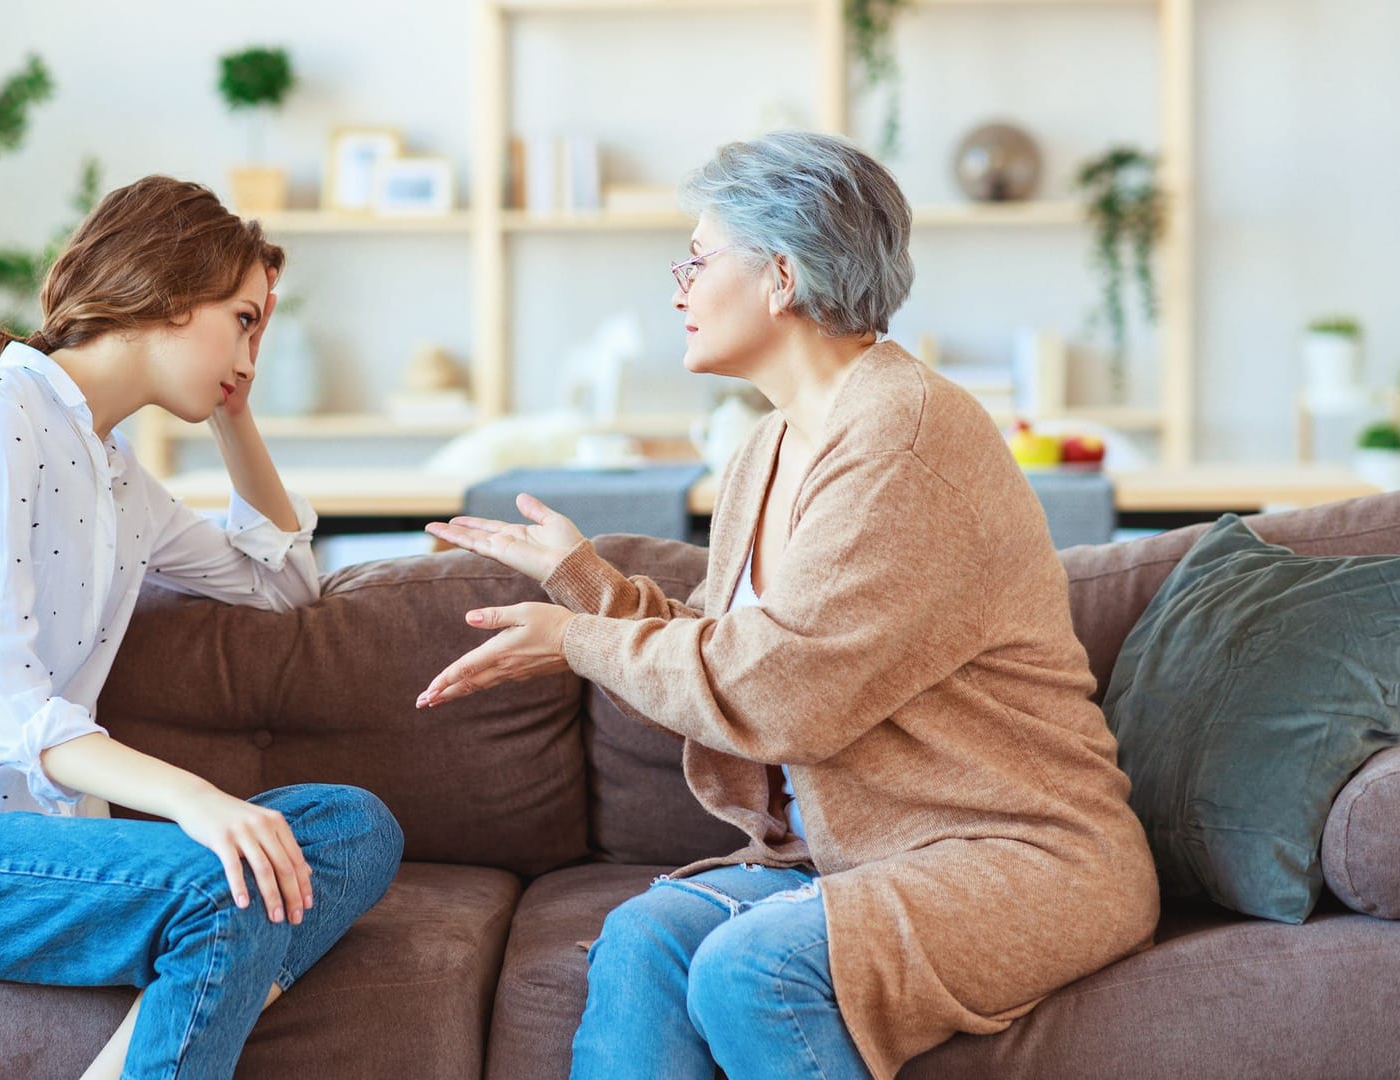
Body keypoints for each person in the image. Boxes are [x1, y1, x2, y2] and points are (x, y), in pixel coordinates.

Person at [418, 131, 1158, 1080]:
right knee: (645, 940)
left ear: (778, 276)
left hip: (1025, 854)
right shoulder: (769, 445)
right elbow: (748, 655)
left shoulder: (900, 441)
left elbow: (781, 699)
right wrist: (583, 583)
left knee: (752, 970)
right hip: (863, 856)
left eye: (695, 258)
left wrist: (579, 639)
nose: (677, 286)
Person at [0, 175, 403, 1080]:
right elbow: (12, 712)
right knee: (227, 880)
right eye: (244, 320)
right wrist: (198, 802)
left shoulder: (117, 474)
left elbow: (281, 587)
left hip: (41, 846)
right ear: (171, 297)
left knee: (353, 826)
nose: (254, 349)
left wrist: (235, 413)